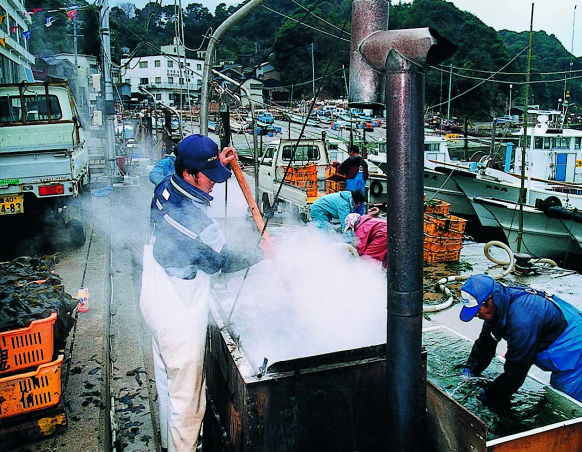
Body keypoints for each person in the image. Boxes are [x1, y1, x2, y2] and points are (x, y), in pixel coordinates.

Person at [139, 134, 261, 451]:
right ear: (190, 174)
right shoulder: (186, 221)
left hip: (154, 289)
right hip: (175, 310)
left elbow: (166, 161)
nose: (215, 184)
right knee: (189, 403)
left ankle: (169, 444)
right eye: (210, 178)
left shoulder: (165, 179)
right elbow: (220, 263)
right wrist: (262, 253)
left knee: (169, 384)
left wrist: (216, 162)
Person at [459, 274, 582, 404]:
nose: (475, 315)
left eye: (477, 310)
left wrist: (488, 398)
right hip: (554, 335)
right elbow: (486, 342)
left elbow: (517, 369)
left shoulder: (522, 320)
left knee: (564, 403)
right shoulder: (498, 304)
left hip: (574, 350)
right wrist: (471, 369)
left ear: (489, 301)